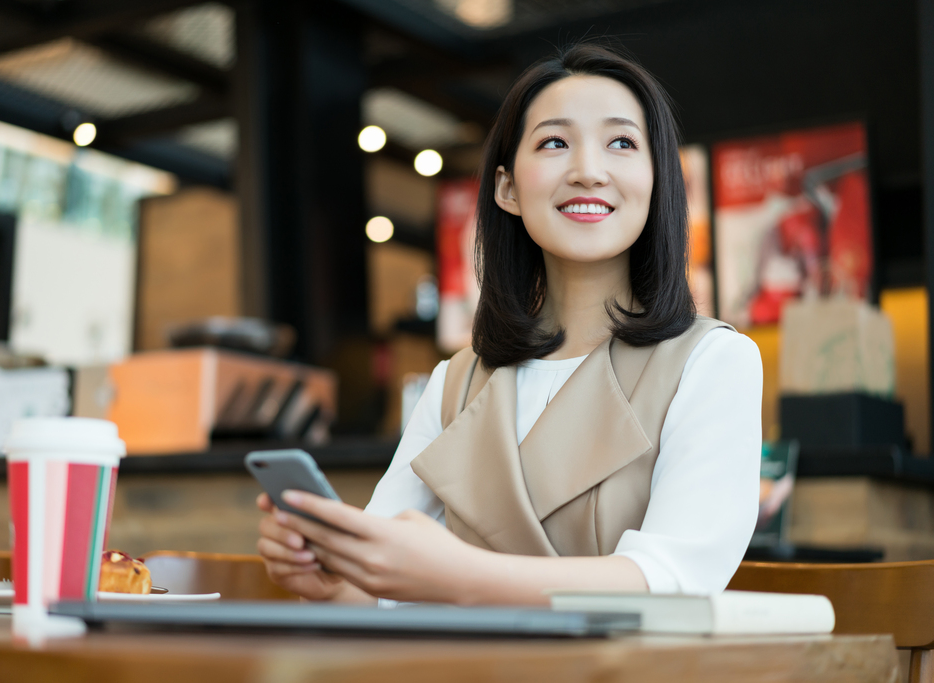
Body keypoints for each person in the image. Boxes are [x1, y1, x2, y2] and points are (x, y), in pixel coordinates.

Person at [256, 43, 762, 605]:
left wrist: (456, 575)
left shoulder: (713, 361)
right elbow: (380, 593)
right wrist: (329, 582)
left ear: (658, 180)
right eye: (554, 143)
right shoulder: (456, 382)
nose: (588, 171)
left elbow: (672, 581)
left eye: (621, 142)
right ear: (508, 189)